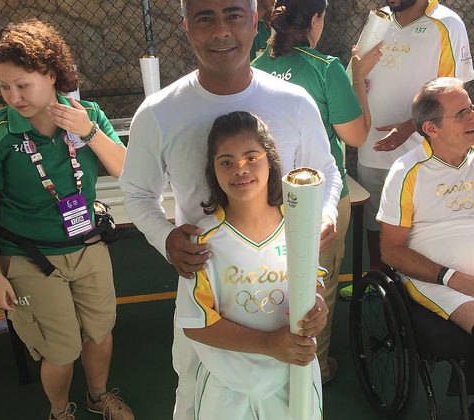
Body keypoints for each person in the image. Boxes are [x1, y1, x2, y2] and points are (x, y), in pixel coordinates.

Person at [119, 0, 342, 418]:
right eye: (205, 18)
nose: (221, 30)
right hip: (211, 297)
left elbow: (325, 171)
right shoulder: (158, 113)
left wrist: (324, 212)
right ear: (187, 27)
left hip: (281, 292)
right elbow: (137, 192)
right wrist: (165, 237)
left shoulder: (294, 102)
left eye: (234, 15)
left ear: (255, 21)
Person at [0, 20, 133, 420]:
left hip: (87, 244)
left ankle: (98, 396)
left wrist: (89, 132)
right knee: (60, 350)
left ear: (51, 74)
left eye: (22, 85)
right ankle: (60, 411)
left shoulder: (88, 115)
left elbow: (126, 170)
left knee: (100, 332)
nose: (13, 97)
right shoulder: (2, 134)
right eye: (4, 87)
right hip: (29, 255)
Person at [251, 0, 382, 382]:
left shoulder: (253, 66)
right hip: (317, 198)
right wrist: (357, 77)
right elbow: (356, 135)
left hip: (264, 198)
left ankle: (272, 359)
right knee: (317, 283)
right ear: (316, 19)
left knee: (268, 278)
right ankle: (315, 369)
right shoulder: (327, 68)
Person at [176, 110, 326, 420]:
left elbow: (313, 284)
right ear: (213, 170)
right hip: (227, 386)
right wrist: (268, 344)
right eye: (226, 162)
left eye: (251, 157)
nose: (240, 169)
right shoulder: (202, 240)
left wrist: (318, 309)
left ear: (271, 160)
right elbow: (195, 323)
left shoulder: (299, 225)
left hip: (292, 378)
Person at [339, 0, 474, 300]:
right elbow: (355, 74)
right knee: (377, 219)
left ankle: (418, 286)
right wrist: (358, 81)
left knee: (420, 225)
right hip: (371, 147)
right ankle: (379, 279)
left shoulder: (447, 23)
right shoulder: (379, 19)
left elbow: (452, 92)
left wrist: (409, 127)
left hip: (420, 150)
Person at [378, 77, 474, 334]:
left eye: (471, 107)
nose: (472, 116)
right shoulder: (405, 172)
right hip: (438, 282)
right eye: (462, 113)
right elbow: (391, 251)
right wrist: (452, 278)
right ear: (431, 128)